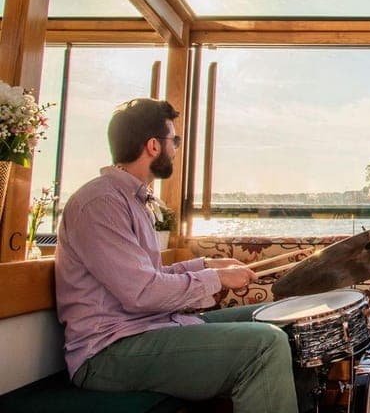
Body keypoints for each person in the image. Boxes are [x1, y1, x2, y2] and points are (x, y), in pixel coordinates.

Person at [55, 98, 299, 412]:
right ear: (153, 146)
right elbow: (141, 293)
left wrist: (208, 263)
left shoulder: (132, 200)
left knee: (284, 321)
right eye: (176, 140)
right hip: (109, 351)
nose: (176, 149)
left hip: (152, 327)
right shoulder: (101, 203)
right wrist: (215, 278)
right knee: (266, 345)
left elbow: (147, 276)